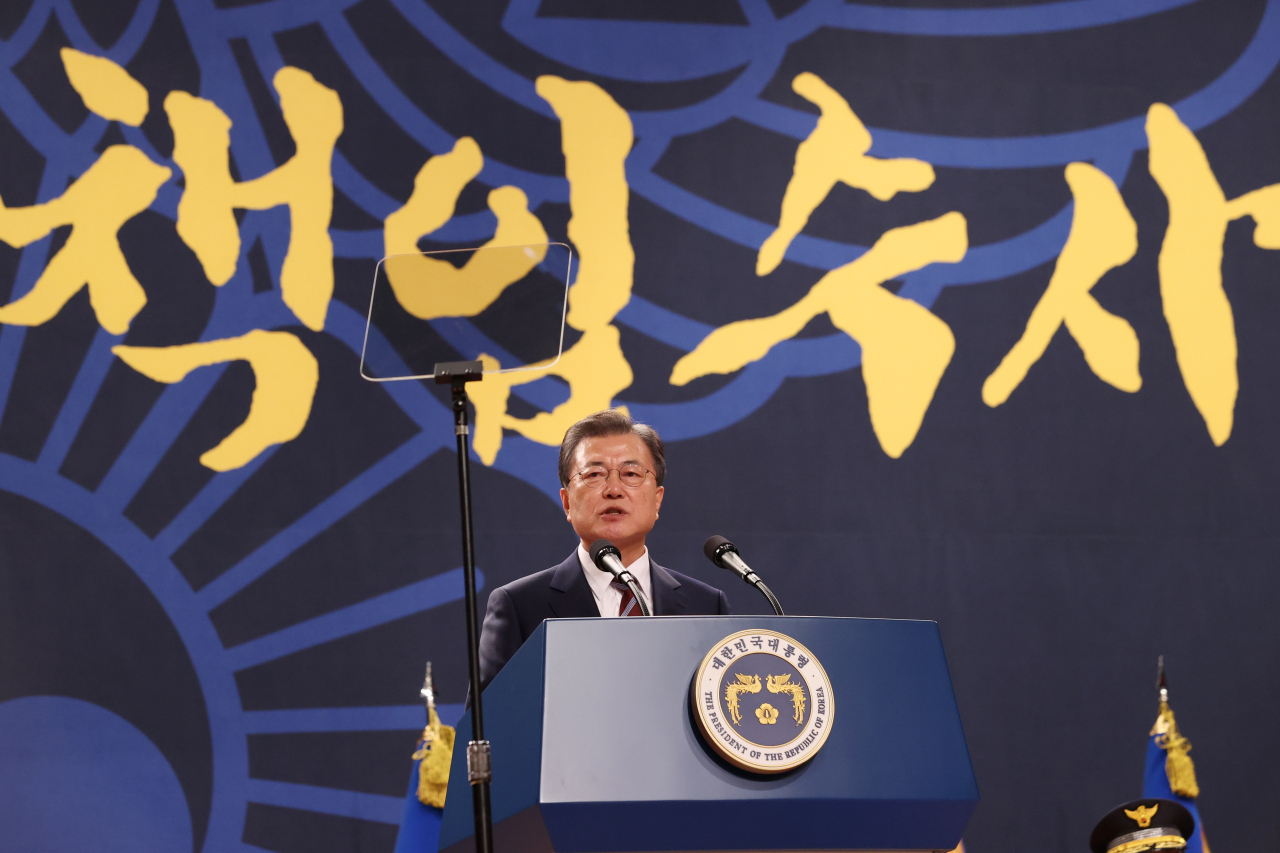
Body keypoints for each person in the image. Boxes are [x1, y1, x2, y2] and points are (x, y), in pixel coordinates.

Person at [475, 409, 730, 694]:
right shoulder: (519, 606)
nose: (614, 489)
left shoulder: (706, 606)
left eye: (631, 473)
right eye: (594, 474)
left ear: (657, 500)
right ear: (567, 502)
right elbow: (488, 720)